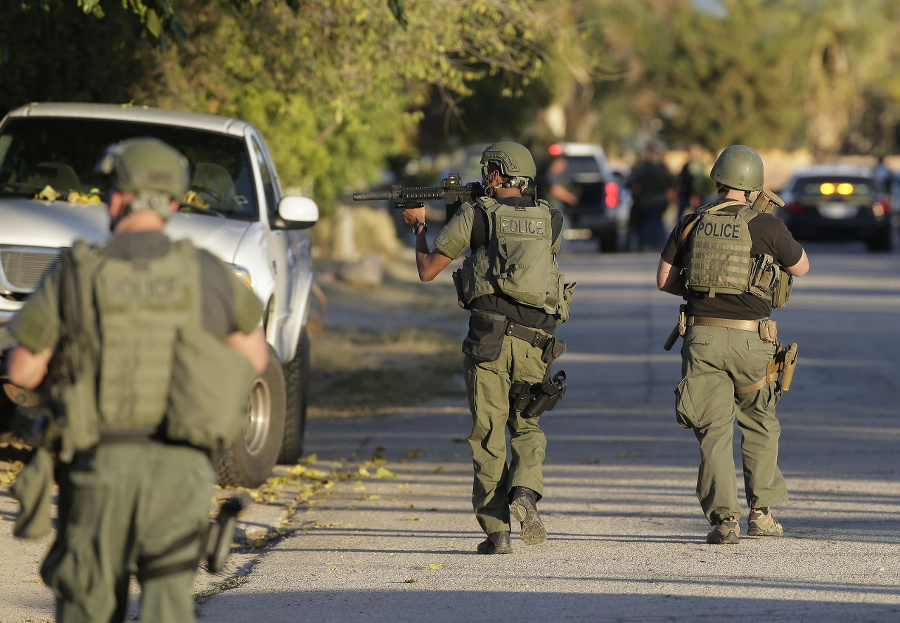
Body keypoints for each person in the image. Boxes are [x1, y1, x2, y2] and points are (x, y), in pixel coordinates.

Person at [7, 137, 269, 622]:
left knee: (86, 604)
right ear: (172, 203)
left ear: (120, 197)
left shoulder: (76, 271)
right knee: (167, 607)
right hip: (181, 470)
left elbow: (23, 369)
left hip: (98, 466)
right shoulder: (208, 271)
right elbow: (255, 356)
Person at [401, 142, 573, 554]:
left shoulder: (475, 214)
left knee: (489, 432)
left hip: (488, 340)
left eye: (488, 171)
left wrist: (419, 227)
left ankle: (497, 532)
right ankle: (525, 492)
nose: (485, 177)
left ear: (498, 174)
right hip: (537, 344)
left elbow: (428, 270)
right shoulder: (551, 217)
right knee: (527, 425)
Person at [656, 144, 810, 545]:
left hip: (702, 337)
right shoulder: (766, 225)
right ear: (755, 185)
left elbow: (664, 280)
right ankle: (762, 513)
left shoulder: (691, 223)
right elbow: (802, 267)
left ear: (719, 180)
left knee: (713, 430)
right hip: (752, 340)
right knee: (759, 422)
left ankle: (725, 521)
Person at [627, 143, 674, 251]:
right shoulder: (662, 168)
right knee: (655, 222)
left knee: (650, 223)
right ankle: (655, 243)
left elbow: (633, 183)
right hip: (655, 200)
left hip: (648, 201)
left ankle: (647, 243)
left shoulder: (643, 168)